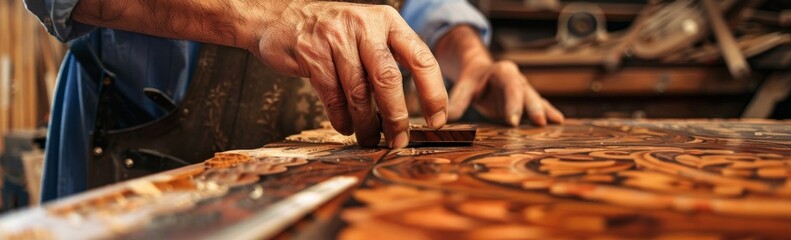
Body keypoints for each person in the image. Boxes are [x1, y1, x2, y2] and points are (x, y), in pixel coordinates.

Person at [24, 0, 564, 201]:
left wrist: (471, 60)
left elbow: (424, 5)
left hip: (310, 184)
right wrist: (264, 15)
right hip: (139, 163)